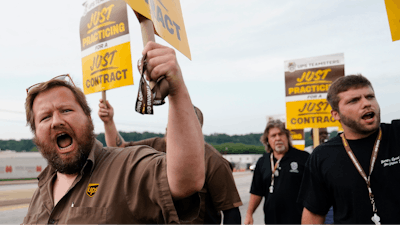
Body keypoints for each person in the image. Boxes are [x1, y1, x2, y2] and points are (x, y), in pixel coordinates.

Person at [23, 42, 205, 224]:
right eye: (45, 117)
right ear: (36, 134)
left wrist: (176, 88)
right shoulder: (40, 192)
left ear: (88, 117)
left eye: (66, 110)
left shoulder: (127, 168)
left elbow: (185, 181)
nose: (56, 122)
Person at [98, 100, 243, 224]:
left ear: (196, 130)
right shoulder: (155, 146)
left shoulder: (214, 162)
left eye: (184, 125)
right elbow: (119, 149)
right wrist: (108, 122)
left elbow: (231, 212)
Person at [298, 74, 400, 224]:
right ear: (336, 114)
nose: (366, 103)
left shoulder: (397, 134)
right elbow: (314, 215)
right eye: (354, 100)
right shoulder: (322, 156)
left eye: (370, 97)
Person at [244, 120, 309, 224]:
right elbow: (256, 192)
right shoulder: (262, 162)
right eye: (273, 136)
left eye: (281, 134)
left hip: (299, 220)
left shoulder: (303, 158)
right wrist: (249, 214)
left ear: (287, 137)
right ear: (267, 140)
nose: (278, 138)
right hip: (272, 221)